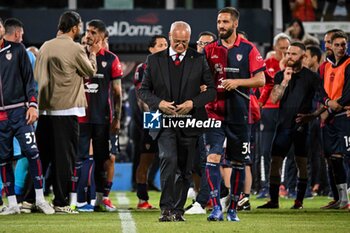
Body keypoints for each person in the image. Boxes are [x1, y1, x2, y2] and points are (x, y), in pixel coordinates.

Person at [138, 21, 216, 222]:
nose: (181, 46)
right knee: (168, 159)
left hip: (190, 122)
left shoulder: (198, 59)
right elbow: (143, 91)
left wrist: (193, 102)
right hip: (163, 121)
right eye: (177, 41)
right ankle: (166, 208)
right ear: (169, 37)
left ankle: (178, 210)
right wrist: (160, 103)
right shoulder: (153, 60)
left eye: (185, 42)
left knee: (185, 167)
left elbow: (212, 90)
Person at [204, 7, 265, 222]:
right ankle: (215, 207)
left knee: (238, 163)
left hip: (241, 115)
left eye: (225, 22)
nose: (221, 26)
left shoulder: (249, 49)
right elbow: (202, 79)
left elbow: (261, 80)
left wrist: (237, 82)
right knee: (213, 157)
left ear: (235, 24)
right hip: (214, 114)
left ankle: (233, 210)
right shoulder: (209, 49)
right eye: (219, 21)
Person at [34, 11, 98, 214]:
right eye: (79, 26)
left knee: (42, 157)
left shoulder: (45, 46)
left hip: (45, 110)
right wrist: (93, 53)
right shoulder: (75, 48)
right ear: (74, 28)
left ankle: (30, 199)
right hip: (66, 110)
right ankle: (61, 202)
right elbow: (90, 72)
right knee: (65, 160)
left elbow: (37, 74)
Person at [0, 17, 54, 215]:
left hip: (20, 112)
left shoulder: (18, 50)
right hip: (0, 117)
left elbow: (29, 81)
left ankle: (39, 199)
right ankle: (12, 203)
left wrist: (32, 105)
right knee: (3, 159)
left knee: (32, 152)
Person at [257, 42, 320, 210]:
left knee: (301, 163)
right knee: (275, 162)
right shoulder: (280, 75)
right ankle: (273, 200)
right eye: (288, 53)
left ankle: (299, 201)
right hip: (283, 125)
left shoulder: (312, 77)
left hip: (301, 125)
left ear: (303, 57)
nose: (289, 57)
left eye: (293, 54)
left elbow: (322, 98)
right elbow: (274, 99)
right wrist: (285, 81)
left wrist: (313, 116)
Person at [134, 35, 168, 210]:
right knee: (146, 158)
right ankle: (142, 199)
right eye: (160, 44)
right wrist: (153, 115)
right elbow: (141, 96)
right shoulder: (143, 67)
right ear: (151, 49)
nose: (164, 47)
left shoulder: (174, 65)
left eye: (165, 44)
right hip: (153, 117)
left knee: (173, 158)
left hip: (173, 117)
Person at [185, 31, 217, 215]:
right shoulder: (189, 63)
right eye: (201, 43)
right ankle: (212, 195)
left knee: (208, 160)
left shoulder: (217, 67)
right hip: (192, 119)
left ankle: (203, 201)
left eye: (207, 44)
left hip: (212, 118)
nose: (203, 47)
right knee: (196, 161)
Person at [256, 33, 291, 199]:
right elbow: (263, 86)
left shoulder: (292, 67)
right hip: (269, 111)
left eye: (287, 49)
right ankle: (264, 185)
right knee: (265, 150)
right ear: (275, 48)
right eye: (281, 48)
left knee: (283, 150)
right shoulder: (267, 63)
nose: (284, 52)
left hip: (285, 110)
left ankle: (281, 184)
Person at [318, 31, 350, 209]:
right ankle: (342, 199)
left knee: (347, 156)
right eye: (336, 44)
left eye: (342, 45)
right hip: (330, 117)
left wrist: (332, 106)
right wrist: (327, 103)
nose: (339, 48)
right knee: (334, 158)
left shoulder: (349, 64)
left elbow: (348, 92)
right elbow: (319, 90)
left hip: (343, 116)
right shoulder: (325, 66)